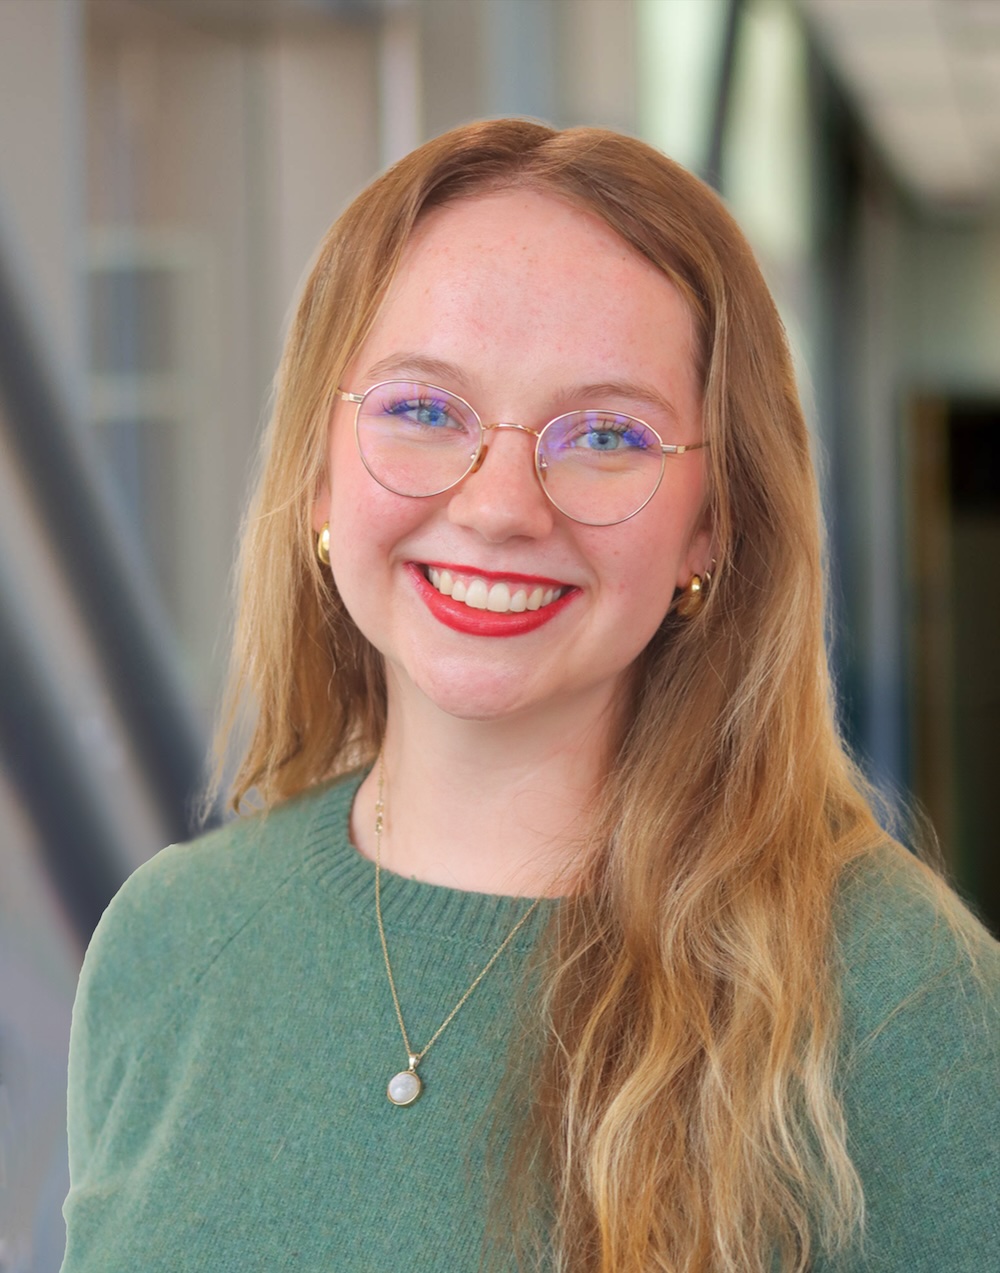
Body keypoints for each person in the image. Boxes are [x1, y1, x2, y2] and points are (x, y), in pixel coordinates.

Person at [60, 119, 998, 1273]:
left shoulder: (898, 1001)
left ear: (712, 520)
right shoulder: (168, 944)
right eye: (421, 409)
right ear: (315, 469)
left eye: (606, 432)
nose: (502, 503)